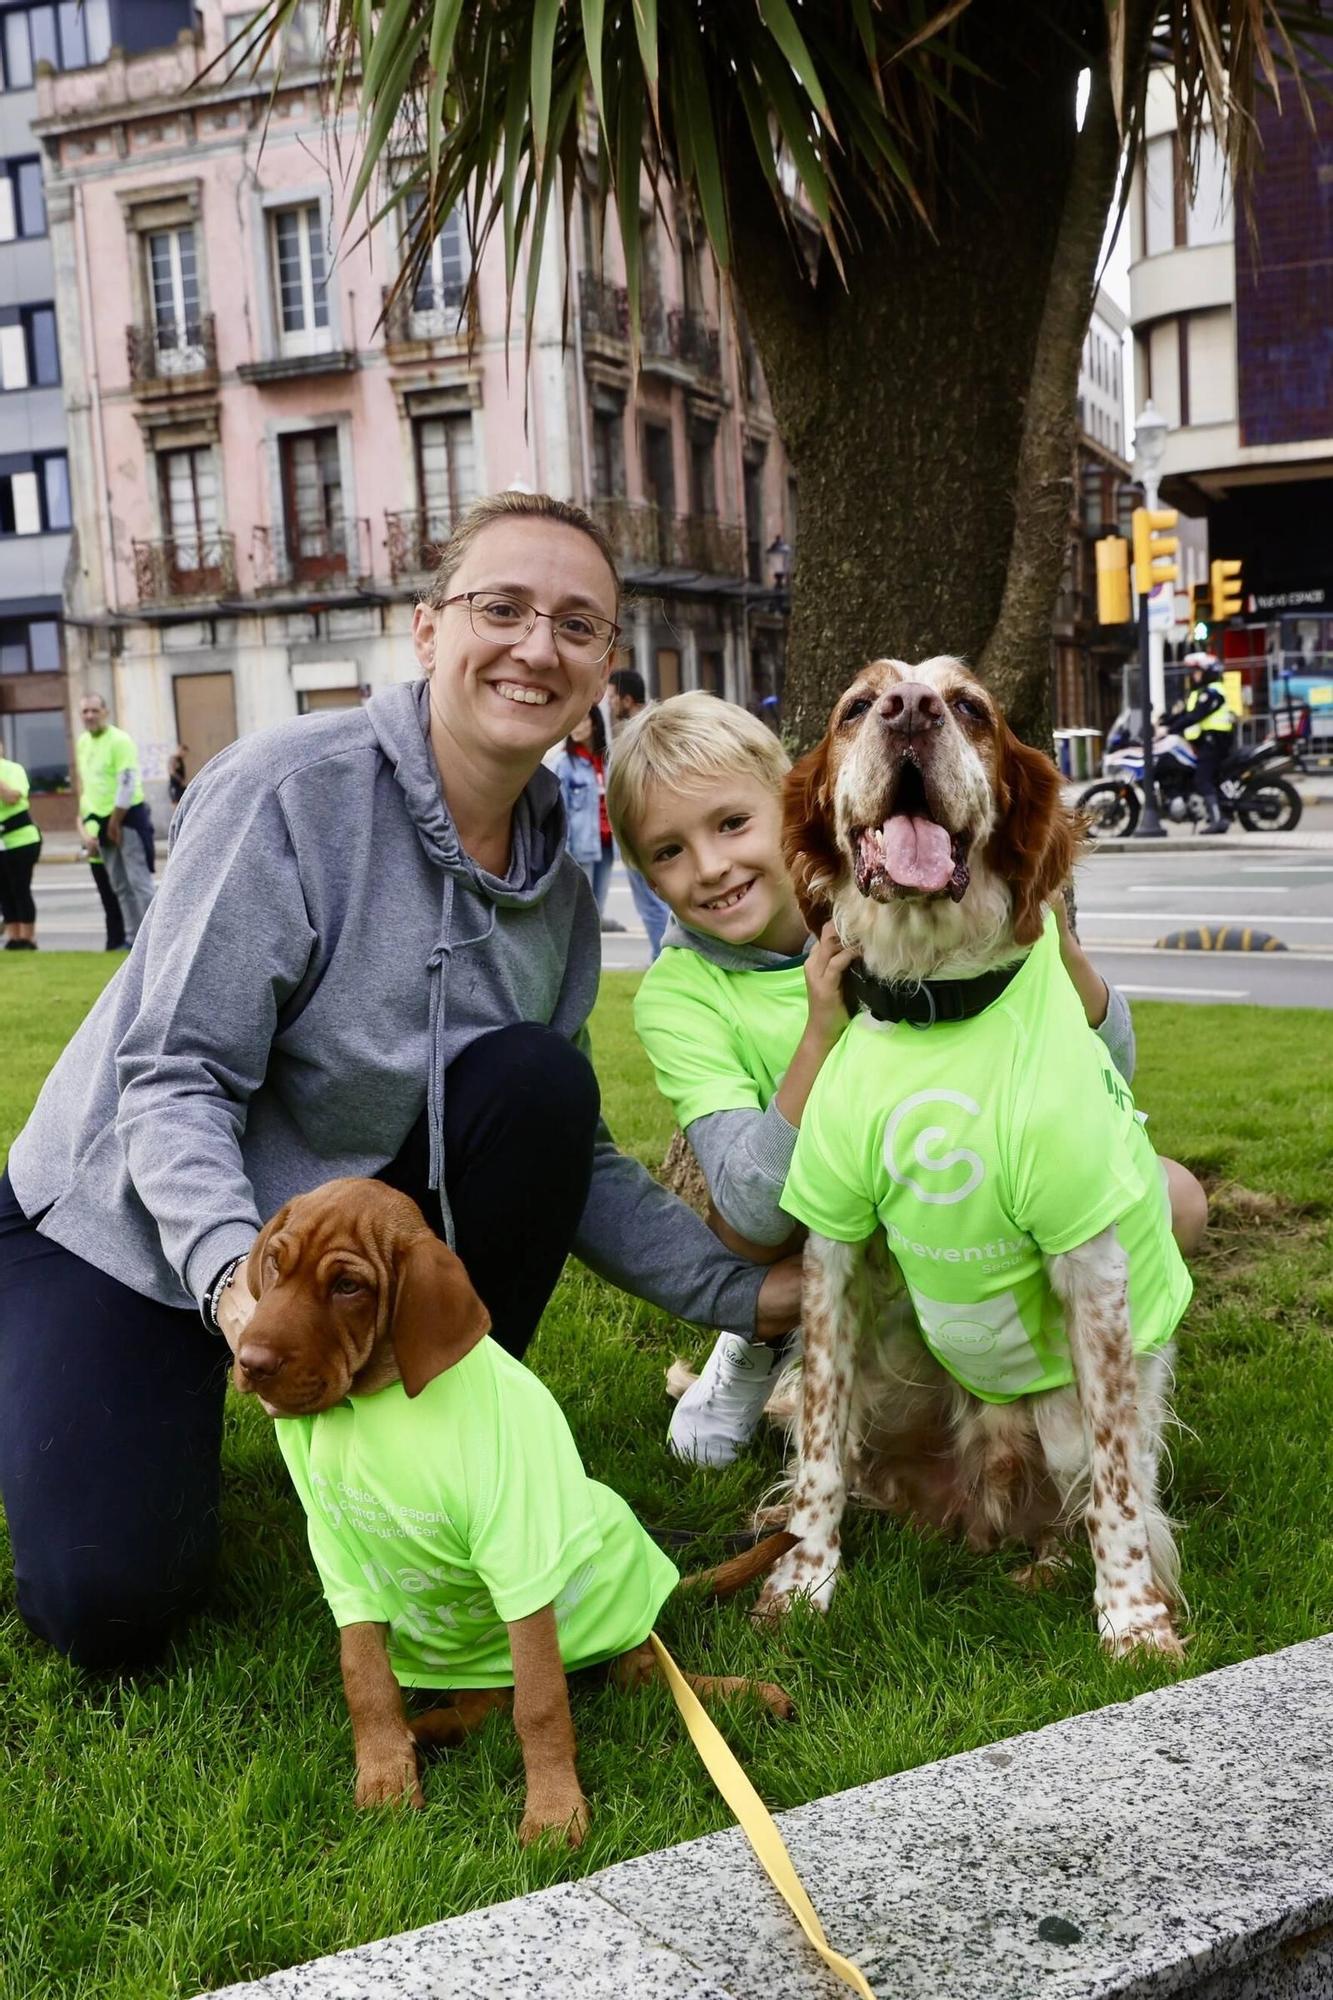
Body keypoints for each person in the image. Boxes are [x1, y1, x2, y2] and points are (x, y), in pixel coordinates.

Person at [0, 492, 800, 1673]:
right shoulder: (288, 794)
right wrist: (239, 1292)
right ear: (428, 630)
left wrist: (748, 1296)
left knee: (535, 1083)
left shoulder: (558, 897)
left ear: (601, 666)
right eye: (501, 607)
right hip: (125, 1224)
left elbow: (561, 1155)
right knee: (108, 1606)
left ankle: (439, 1445)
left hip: (340, 1248)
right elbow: (171, 1081)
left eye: (575, 623)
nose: (536, 645)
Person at [608, 692, 1208, 1467]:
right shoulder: (678, 995)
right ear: (642, 876)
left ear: (801, 807)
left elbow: (1105, 1088)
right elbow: (750, 1213)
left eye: (731, 824)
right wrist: (822, 1029)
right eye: (668, 852)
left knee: (1173, 1199)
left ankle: (1043, 1368)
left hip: (962, 1202)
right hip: (822, 1230)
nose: (712, 865)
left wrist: (1065, 955)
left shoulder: (928, 902)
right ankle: (763, 1338)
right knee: (782, 1247)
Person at [75, 693, 157, 943]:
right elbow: (87, 785)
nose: (89, 716)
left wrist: (115, 821)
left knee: (139, 882)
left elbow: (127, 783)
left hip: (126, 818)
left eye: (94, 711)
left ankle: (155, 939)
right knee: (120, 885)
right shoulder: (83, 742)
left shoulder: (119, 740)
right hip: (101, 822)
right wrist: (87, 824)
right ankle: (132, 939)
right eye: (85, 711)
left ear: (105, 712)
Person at [607, 667, 670, 959]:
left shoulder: (639, 733)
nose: (609, 703)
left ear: (627, 699)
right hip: (653, 832)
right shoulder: (657, 724)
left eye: (612, 697)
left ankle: (662, 959)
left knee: (654, 906)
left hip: (643, 832)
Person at [1161, 651, 1234, 835]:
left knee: (1202, 779)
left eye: (1197, 672)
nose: (1194, 676)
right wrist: (1164, 723)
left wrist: (1169, 730)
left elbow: (1196, 716)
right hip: (1205, 741)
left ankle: (1218, 820)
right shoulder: (1201, 693)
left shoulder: (1213, 693)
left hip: (1215, 742)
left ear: (1208, 672)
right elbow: (1185, 714)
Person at [554, 702, 616, 918]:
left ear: (595, 724)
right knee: (579, 913)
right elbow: (560, 812)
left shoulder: (608, 762)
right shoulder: (565, 764)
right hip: (580, 847)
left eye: (582, 721)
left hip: (607, 845)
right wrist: (564, 853)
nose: (576, 727)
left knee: (597, 911)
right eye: (573, 722)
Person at [0, 754, 42, 951]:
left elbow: (13, 797)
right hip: (2, 842)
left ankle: (28, 937)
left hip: (21, 840)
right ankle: (14, 937)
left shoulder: (12, 769)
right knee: (4, 891)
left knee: (20, 888)